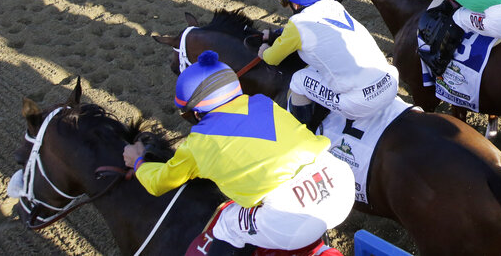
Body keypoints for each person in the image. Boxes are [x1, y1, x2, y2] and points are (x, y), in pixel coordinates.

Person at [122, 51, 353, 255]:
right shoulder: (263, 102)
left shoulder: (197, 144)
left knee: (226, 224)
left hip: (289, 215)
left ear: (196, 112)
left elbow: (159, 183)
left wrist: (139, 161)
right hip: (339, 184)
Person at [259, 0, 399, 126]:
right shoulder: (334, 6)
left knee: (299, 79)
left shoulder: (297, 24)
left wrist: (264, 49)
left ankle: (304, 131)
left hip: (361, 103)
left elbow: (271, 58)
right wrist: (279, 34)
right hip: (390, 82)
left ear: (296, 5)